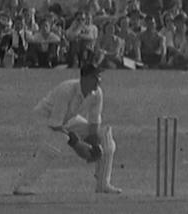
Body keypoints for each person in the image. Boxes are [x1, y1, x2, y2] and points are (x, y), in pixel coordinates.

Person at [13, 64, 122, 195]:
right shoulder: (66, 90)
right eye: (95, 77)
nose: (99, 81)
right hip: (43, 119)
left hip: (68, 120)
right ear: (85, 78)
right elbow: (55, 125)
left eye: (99, 77)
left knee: (105, 135)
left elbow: (93, 126)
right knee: (57, 141)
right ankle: (23, 185)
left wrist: (95, 147)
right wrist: (79, 146)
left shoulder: (97, 93)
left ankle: (103, 184)